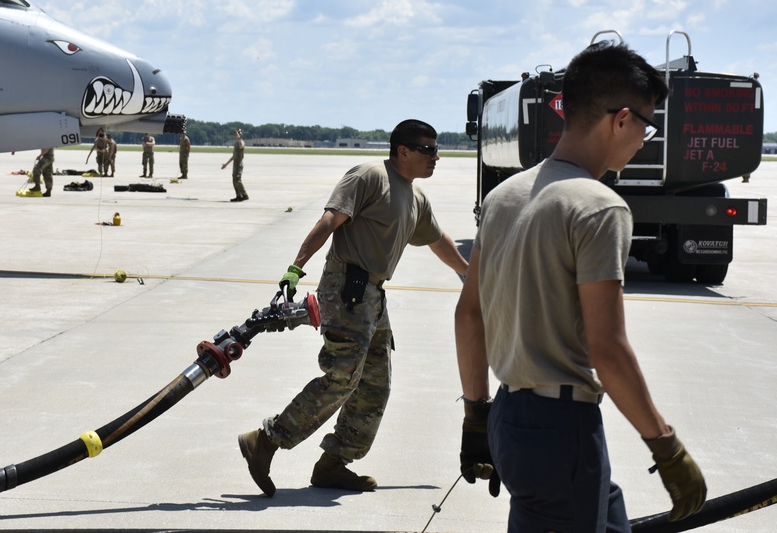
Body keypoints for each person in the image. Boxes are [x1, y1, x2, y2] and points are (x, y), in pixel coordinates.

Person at [454, 42, 706, 529]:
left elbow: (469, 313)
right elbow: (607, 348)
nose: (646, 139)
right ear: (620, 119)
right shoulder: (599, 207)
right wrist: (666, 447)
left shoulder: (504, 196)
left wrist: (476, 416)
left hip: (510, 417)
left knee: (609, 517)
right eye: (648, 125)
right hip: (561, 429)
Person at [238, 119, 468, 497]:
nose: (436, 157)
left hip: (373, 296)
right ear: (403, 151)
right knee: (342, 375)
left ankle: (334, 463)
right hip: (347, 287)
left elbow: (436, 239)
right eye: (428, 149)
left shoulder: (415, 196)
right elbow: (331, 219)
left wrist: (469, 274)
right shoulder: (369, 176)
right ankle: (265, 440)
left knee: (375, 384)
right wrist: (297, 267)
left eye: (436, 149)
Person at [221, 128, 248, 202]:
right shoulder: (236, 143)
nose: (235, 135)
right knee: (234, 180)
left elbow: (241, 146)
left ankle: (244, 195)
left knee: (238, 180)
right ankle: (238, 195)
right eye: (235, 133)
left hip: (239, 164)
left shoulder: (241, 142)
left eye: (237, 133)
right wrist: (226, 164)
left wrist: (239, 138)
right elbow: (234, 156)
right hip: (235, 163)